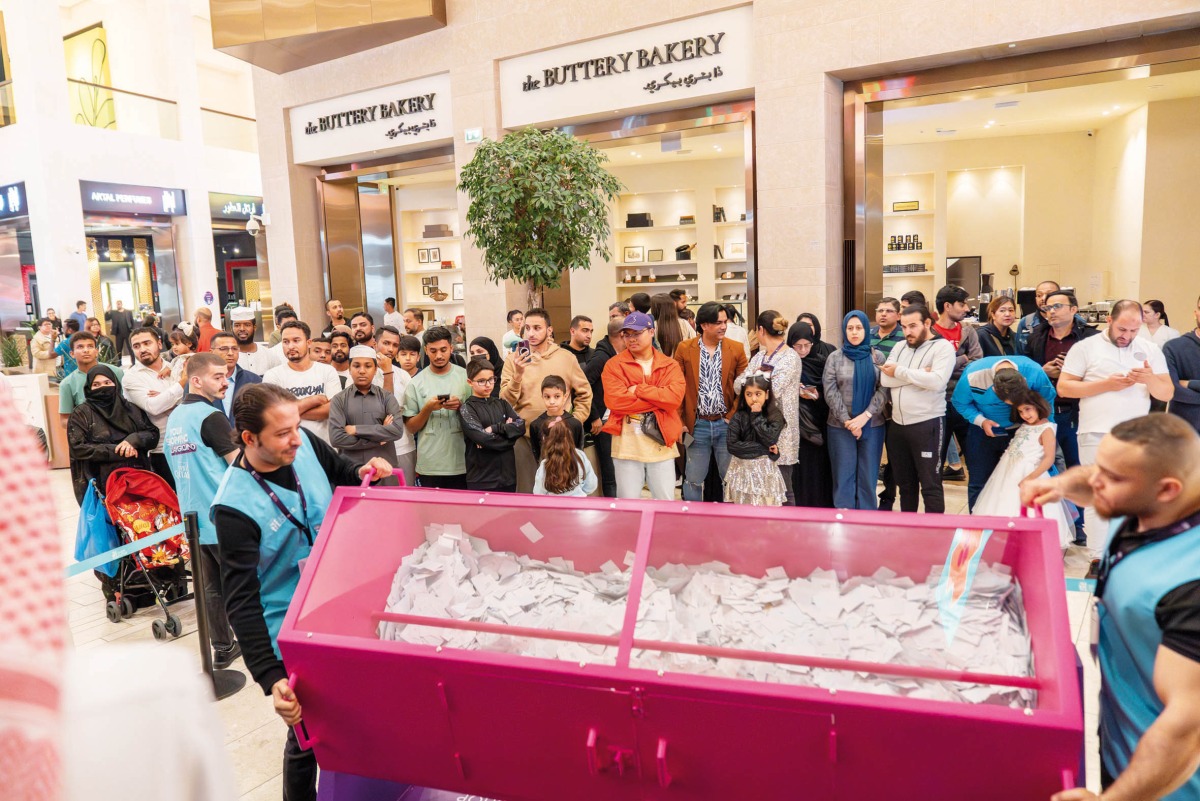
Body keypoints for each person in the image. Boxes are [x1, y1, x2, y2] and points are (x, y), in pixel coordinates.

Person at [213, 384, 394, 801]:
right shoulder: (234, 507)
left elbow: (342, 471)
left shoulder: (304, 443)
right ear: (249, 438)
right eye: (281, 433)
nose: (295, 438)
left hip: (341, 606)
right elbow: (240, 600)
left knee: (355, 717)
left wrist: (369, 471)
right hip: (292, 631)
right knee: (308, 736)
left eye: (296, 426)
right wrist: (270, 675)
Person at [1021, 415, 1200, 801]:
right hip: (1121, 736)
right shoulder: (1153, 498)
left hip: (1165, 783)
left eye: (1113, 477)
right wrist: (1055, 484)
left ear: (1167, 489)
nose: (1095, 482)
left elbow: (1186, 728)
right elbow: (1094, 480)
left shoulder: (1190, 584)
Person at [1059, 299, 1174, 549]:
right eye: (1122, 329)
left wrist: (1149, 378)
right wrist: (1105, 385)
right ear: (1109, 321)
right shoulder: (1085, 347)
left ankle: (1124, 552)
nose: (1127, 336)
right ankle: (1097, 556)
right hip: (1095, 432)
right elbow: (1065, 387)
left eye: (1134, 330)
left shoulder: (1150, 349)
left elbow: (1166, 393)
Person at [163, 352, 241, 669]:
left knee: (212, 589)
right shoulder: (211, 418)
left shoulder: (176, 419)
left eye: (226, 375)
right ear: (196, 380)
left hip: (194, 518)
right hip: (224, 516)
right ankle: (261, 642)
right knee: (247, 584)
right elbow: (239, 466)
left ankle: (222, 647)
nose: (225, 382)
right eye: (217, 376)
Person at [1027, 289, 1098, 544]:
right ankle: (1053, 521)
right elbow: (1025, 370)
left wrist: (1070, 373)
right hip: (1044, 413)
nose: (1052, 311)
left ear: (1073, 309)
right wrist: (1042, 371)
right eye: (1047, 308)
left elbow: (1098, 374)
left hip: (1075, 412)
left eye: (1057, 306)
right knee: (1046, 467)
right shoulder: (1036, 336)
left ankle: (1079, 524)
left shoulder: (1090, 338)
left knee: (1077, 468)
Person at [499, 308, 592, 493]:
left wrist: (572, 422)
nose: (531, 333)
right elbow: (504, 402)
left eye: (537, 328)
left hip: (559, 437)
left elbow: (585, 394)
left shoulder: (566, 358)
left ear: (549, 330)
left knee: (562, 489)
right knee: (527, 491)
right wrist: (517, 376)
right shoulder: (513, 359)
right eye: (527, 328)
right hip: (523, 437)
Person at [952, 357, 1057, 511]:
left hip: (1023, 432)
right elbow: (959, 402)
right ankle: (977, 527)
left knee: (1016, 481)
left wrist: (1045, 431)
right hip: (982, 431)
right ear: (994, 390)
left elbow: (1047, 400)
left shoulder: (1034, 371)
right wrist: (980, 421)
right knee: (979, 480)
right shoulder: (972, 375)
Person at [601, 311, 685, 500]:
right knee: (628, 502)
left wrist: (639, 389)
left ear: (651, 332)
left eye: (637, 333)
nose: (631, 339)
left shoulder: (669, 365)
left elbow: (673, 399)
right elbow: (616, 401)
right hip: (626, 443)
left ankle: (661, 531)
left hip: (661, 441)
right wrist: (658, 399)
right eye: (627, 334)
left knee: (665, 500)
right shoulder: (614, 365)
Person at [972, 390, 1073, 548]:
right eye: (1020, 411)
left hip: (1031, 474)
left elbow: (1049, 458)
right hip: (1009, 472)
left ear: (1038, 406)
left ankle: (1026, 542)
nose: (1025, 415)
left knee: (1026, 508)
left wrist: (1030, 478)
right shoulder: (1025, 426)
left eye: (1028, 409)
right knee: (1003, 502)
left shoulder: (1046, 429)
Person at [880, 305, 956, 513]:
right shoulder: (900, 347)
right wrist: (920, 374)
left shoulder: (943, 348)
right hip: (898, 425)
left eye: (913, 326)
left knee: (930, 484)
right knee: (905, 485)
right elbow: (885, 379)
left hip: (927, 423)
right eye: (904, 327)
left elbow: (937, 382)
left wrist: (901, 372)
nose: (907, 332)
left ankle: (934, 535)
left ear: (928, 323)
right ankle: (909, 530)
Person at [674, 301, 748, 502]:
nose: (724, 326)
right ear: (704, 325)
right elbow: (677, 387)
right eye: (718, 322)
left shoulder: (736, 349)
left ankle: (730, 519)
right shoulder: (684, 349)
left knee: (730, 479)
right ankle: (692, 518)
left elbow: (745, 388)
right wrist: (680, 422)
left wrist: (732, 416)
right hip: (697, 425)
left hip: (726, 424)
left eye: (725, 321)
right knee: (694, 479)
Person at [67, 365, 159, 505]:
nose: (103, 388)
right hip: (100, 485)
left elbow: (152, 434)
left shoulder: (130, 409)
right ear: (89, 388)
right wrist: (117, 451)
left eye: (107, 383)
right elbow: (78, 448)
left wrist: (134, 440)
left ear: (115, 384)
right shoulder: (81, 414)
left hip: (137, 484)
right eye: (96, 384)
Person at [823, 310, 888, 510]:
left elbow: (884, 389)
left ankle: (867, 520)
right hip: (840, 427)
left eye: (859, 328)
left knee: (868, 477)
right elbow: (830, 391)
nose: (854, 332)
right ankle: (844, 520)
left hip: (873, 425)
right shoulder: (834, 357)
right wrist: (848, 421)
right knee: (843, 476)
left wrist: (865, 416)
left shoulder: (877, 357)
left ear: (866, 330)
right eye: (850, 328)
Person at [735, 312, 801, 504]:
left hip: (780, 433)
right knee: (761, 490)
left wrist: (753, 382)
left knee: (783, 488)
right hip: (756, 429)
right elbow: (737, 385)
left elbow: (772, 391)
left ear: (760, 331)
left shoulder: (790, 357)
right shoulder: (759, 357)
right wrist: (757, 382)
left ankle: (788, 531)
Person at [402, 326, 472, 488]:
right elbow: (411, 428)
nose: (439, 355)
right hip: (430, 464)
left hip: (462, 460)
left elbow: (478, 417)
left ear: (451, 348)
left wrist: (461, 407)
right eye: (433, 351)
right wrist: (428, 408)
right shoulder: (416, 383)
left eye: (443, 350)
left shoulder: (465, 377)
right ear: (426, 350)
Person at [328, 346, 406, 483]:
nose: (362, 371)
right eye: (356, 366)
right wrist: (379, 438)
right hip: (352, 472)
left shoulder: (387, 398)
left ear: (376, 370)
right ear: (349, 369)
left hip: (385, 472)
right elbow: (337, 438)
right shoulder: (339, 400)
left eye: (368, 366)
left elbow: (397, 431)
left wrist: (356, 429)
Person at [123, 327, 187, 488]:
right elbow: (154, 406)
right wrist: (183, 383)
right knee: (172, 505)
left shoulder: (177, 365)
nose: (142, 349)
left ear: (159, 344)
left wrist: (167, 399)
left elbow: (196, 401)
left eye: (147, 343)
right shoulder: (131, 377)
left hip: (191, 444)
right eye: (137, 346)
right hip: (161, 451)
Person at [932, 285, 983, 481]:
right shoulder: (931, 333)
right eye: (961, 304)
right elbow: (931, 370)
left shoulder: (968, 332)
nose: (966, 309)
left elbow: (977, 363)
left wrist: (947, 365)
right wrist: (961, 359)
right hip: (938, 402)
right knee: (935, 462)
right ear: (947, 306)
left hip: (964, 400)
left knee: (974, 460)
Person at [262, 321, 342, 445]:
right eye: (286, 342)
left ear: (308, 343)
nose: (290, 346)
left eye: (296, 340)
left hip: (324, 448)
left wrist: (289, 411)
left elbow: (332, 410)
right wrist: (313, 400)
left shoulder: (327, 371)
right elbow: (273, 414)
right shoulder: (272, 375)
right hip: (288, 449)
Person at [786, 320, 835, 507]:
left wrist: (817, 395)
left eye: (807, 345)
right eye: (798, 346)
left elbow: (830, 390)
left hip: (818, 423)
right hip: (794, 426)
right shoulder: (787, 363)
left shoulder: (821, 362)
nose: (803, 350)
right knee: (799, 469)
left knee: (818, 468)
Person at [459, 358, 525, 492]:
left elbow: (521, 426)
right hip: (482, 479)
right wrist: (510, 439)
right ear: (470, 382)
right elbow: (483, 438)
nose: (488, 384)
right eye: (481, 381)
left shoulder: (502, 403)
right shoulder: (466, 408)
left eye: (491, 379)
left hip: (508, 477)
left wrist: (495, 428)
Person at [724, 373, 788, 507]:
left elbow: (770, 438)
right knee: (742, 513)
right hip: (741, 472)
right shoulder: (738, 416)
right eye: (749, 394)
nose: (753, 399)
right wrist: (764, 449)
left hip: (766, 473)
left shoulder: (775, 416)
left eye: (758, 394)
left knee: (767, 514)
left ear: (767, 394)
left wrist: (756, 416)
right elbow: (732, 445)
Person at [373, 325, 417, 485]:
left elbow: (410, 409)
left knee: (405, 500)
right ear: (375, 343)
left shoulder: (403, 375)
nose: (390, 349)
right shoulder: (363, 371)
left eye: (395, 345)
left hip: (403, 446)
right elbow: (384, 407)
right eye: (386, 343)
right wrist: (387, 372)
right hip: (373, 449)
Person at [588, 317, 625, 497]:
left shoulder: (617, 354)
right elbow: (583, 386)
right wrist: (594, 416)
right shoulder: (601, 357)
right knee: (610, 473)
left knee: (618, 470)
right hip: (603, 421)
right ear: (621, 335)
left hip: (616, 419)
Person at [58, 332, 124, 426]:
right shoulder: (67, 384)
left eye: (90, 346)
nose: (86, 350)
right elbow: (64, 420)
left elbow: (128, 404)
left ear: (96, 351)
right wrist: (86, 426)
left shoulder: (116, 372)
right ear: (72, 354)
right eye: (80, 347)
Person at [533, 418, 598, 497]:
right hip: (579, 506)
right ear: (569, 434)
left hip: (554, 507)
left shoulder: (545, 464)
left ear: (544, 438)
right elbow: (591, 485)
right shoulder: (580, 456)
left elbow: (538, 493)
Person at [529, 375, 585, 463]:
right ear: (542, 397)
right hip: (546, 473)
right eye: (547, 397)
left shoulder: (575, 424)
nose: (552, 402)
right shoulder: (536, 425)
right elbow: (537, 453)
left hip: (571, 472)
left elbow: (579, 451)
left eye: (557, 396)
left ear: (565, 397)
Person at [1164, 294, 1200, 433]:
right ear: (1195, 313)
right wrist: (1178, 386)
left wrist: (1189, 383)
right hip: (1183, 432)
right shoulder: (1173, 347)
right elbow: (1172, 390)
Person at [209, 331, 261, 425]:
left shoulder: (254, 381)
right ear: (211, 352)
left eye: (234, 348)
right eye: (223, 349)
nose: (230, 353)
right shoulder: (199, 383)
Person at [230, 307, 281, 377]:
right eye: (237, 325)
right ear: (231, 328)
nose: (242, 329)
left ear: (254, 327)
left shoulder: (269, 355)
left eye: (247, 325)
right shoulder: (227, 357)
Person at [1014, 280, 1061, 354]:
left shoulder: (1074, 320)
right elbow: (1019, 355)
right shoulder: (1026, 322)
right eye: (1039, 295)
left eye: (1049, 294)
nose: (1043, 298)